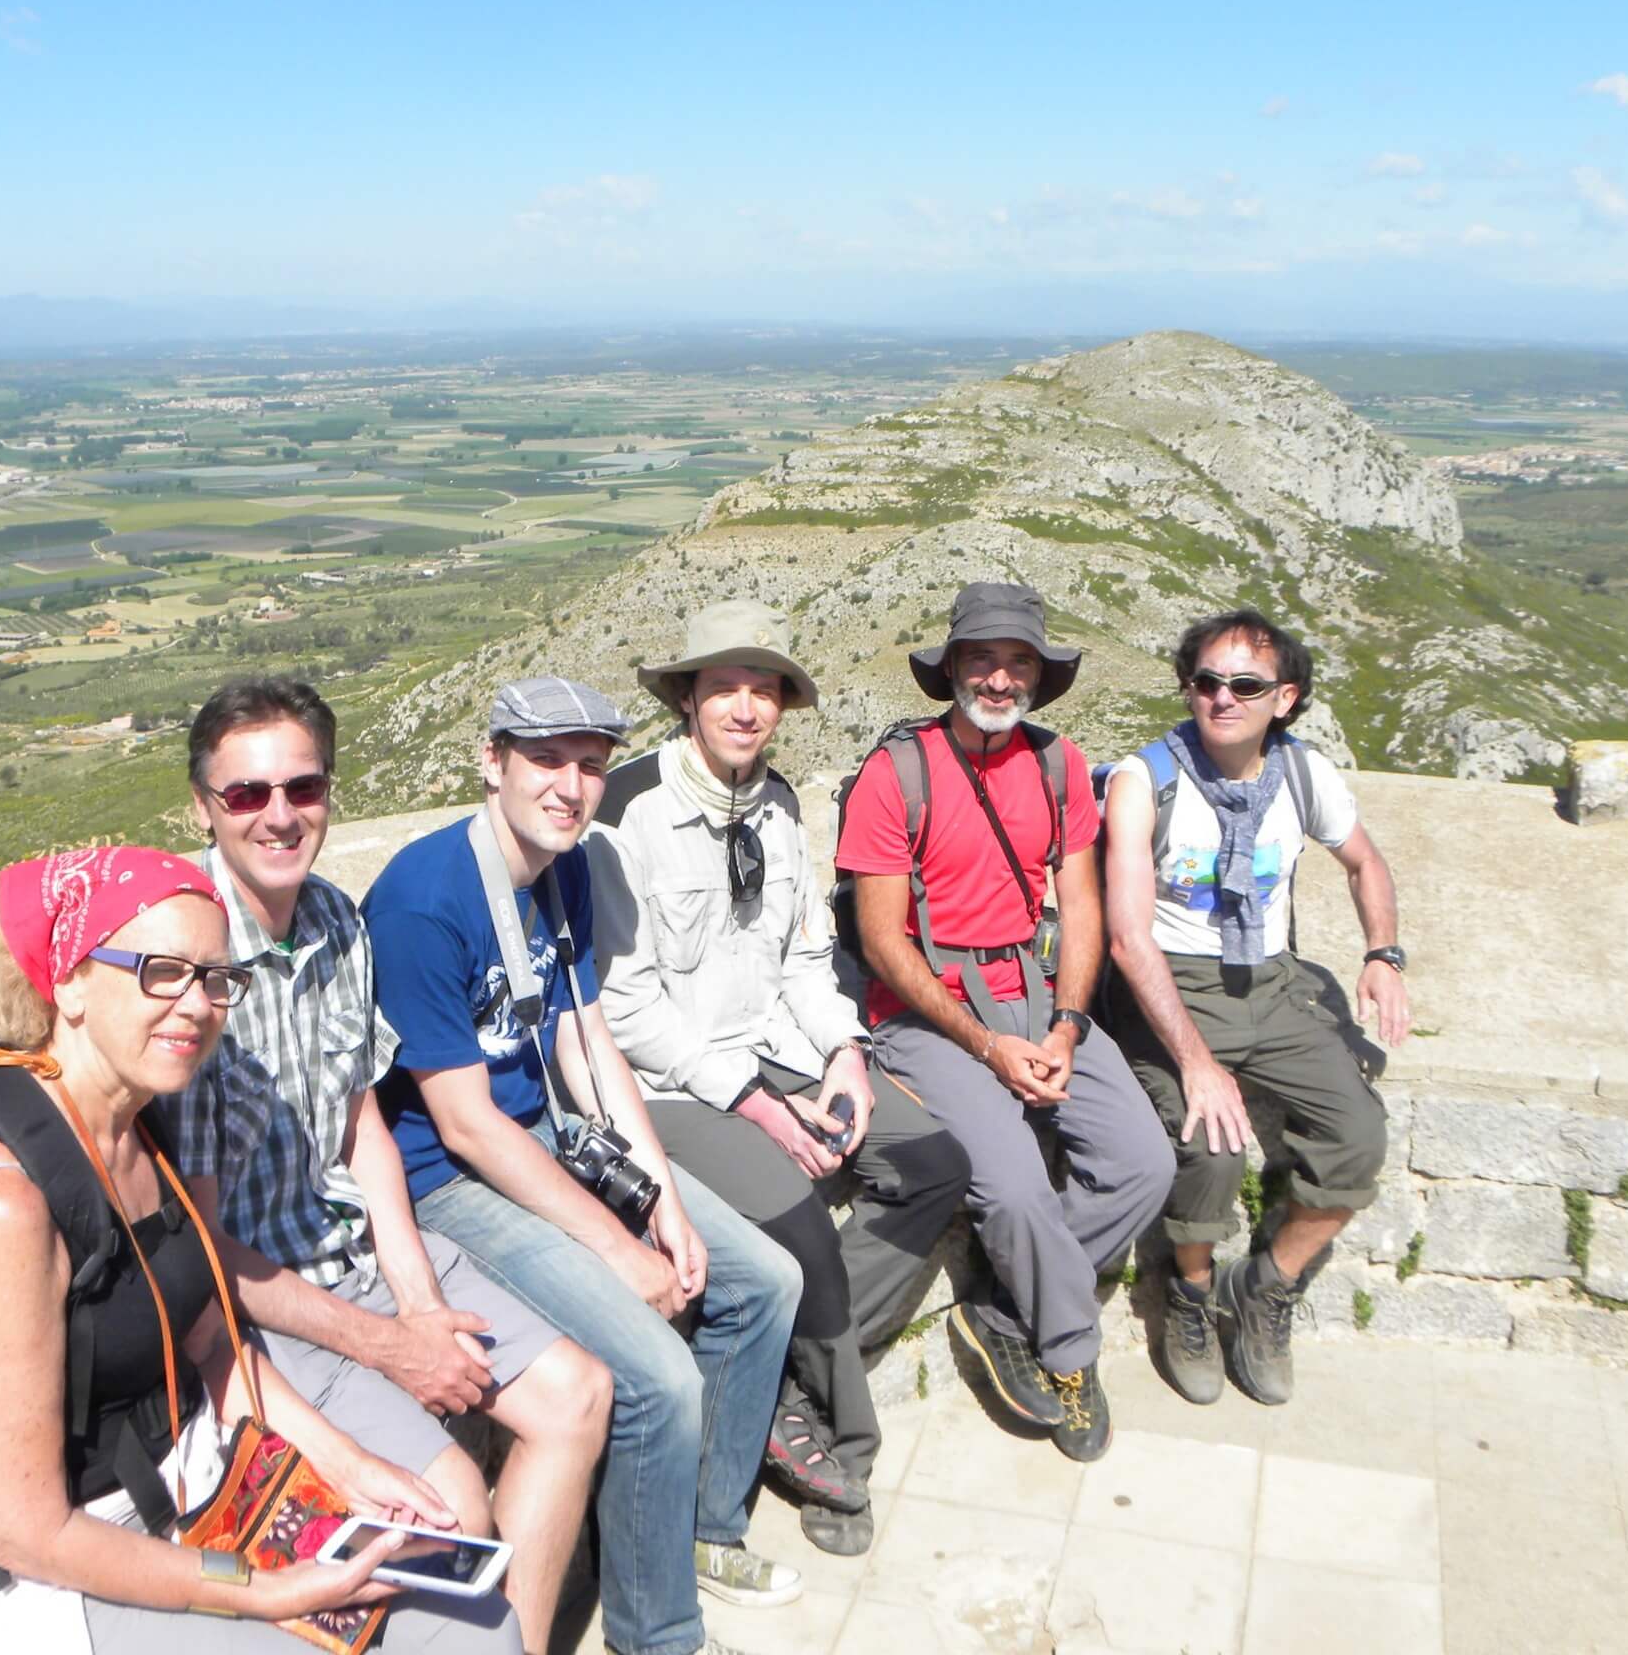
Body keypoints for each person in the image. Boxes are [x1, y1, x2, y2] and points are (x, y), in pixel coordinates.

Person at [0, 843, 520, 1653]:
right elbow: (21, 1528)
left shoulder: (134, 1122)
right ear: (71, 979)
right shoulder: (0, 1202)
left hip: (187, 1484)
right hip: (63, 1571)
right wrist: (256, 1591)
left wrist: (353, 1465)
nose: (196, 1005)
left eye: (216, 979)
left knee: (477, 1619)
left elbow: (212, 1342)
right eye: (161, 971)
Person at [160, 677, 611, 1655]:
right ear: (203, 806)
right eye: (246, 795)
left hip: (353, 1246)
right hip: (256, 1308)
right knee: (451, 1514)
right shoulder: (189, 967)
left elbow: (362, 1117)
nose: (279, 815)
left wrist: (413, 1299)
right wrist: (385, 1344)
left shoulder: (331, 920)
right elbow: (195, 1249)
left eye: (302, 789)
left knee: (578, 1397)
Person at [365, 677, 805, 1655]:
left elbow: (586, 1039)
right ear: (493, 763)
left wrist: (664, 1203)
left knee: (763, 1280)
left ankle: (700, 1532)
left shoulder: (560, 869)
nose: (570, 786)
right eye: (546, 760)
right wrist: (616, 1247)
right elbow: (466, 1126)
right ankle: (656, 1635)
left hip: (546, 1138)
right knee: (656, 1379)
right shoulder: (421, 903)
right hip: (449, 1182)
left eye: (590, 765)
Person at [587, 603, 969, 1556]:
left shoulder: (782, 804)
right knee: (802, 1229)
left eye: (765, 690)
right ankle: (839, 1446)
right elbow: (627, 1010)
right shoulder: (624, 816)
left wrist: (843, 1054)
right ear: (687, 697)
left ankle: (777, 1371)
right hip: (667, 1083)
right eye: (726, 687)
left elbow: (806, 956)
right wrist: (757, 1104)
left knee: (933, 1162)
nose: (747, 708)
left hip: (779, 1049)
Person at [833, 583, 1170, 1463]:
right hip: (927, 1012)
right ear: (951, 668)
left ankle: (1004, 1302)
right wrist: (985, 1044)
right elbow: (880, 937)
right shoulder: (895, 774)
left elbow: (1082, 906)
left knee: (1144, 1161)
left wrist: (1062, 1026)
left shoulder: (1060, 767)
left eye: (1018, 660)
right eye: (981, 658)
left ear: (1040, 676)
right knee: (1015, 1188)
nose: (998, 676)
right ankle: (1068, 1351)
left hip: (1036, 994)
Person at [1101, 609, 1408, 1406]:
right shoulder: (1146, 783)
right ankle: (1192, 1292)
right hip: (1173, 985)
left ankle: (1267, 1285)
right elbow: (1130, 940)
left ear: (1285, 698)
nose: (1222, 698)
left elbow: (1364, 861)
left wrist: (1383, 955)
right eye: (1206, 681)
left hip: (1269, 983)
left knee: (1357, 1136)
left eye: (1246, 685)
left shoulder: (1303, 775)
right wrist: (1197, 1065)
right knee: (1211, 1148)